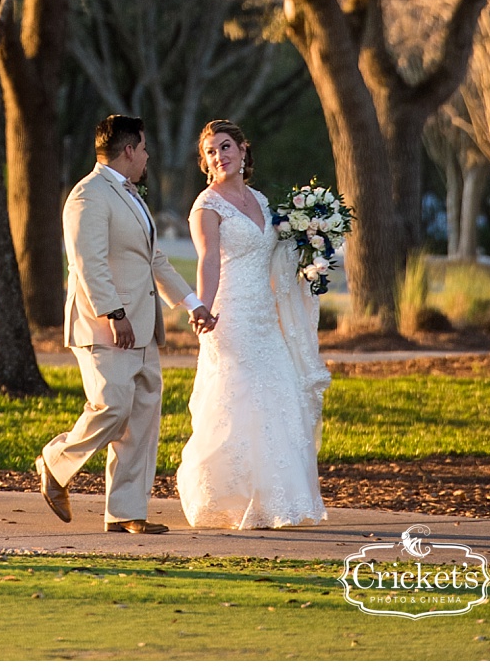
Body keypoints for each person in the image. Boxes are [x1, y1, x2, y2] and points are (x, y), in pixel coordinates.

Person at [36, 114, 214, 534]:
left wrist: (191, 303)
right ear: (129, 149)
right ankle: (55, 463)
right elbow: (88, 261)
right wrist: (113, 314)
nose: (148, 156)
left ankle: (126, 512)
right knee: (111, 408)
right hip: (106, 327)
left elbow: (153, 260)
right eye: (145, 148)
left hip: (143, 326)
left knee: (140, 420)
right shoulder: (88, 196)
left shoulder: (131, 196)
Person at [176, 118, 329, 530]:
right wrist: (201, 307)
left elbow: (279, 254)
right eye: (211, 151)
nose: (219, 156)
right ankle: (227, 499)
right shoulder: (205, 207)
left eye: (225, 147)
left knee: (279, 397)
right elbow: (208, 260)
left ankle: (280, 501)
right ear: (205, 162)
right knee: (237, 404)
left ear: (243, 150)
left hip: (267, 318)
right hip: (231, 317)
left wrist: (314, 248)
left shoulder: (262, 202)